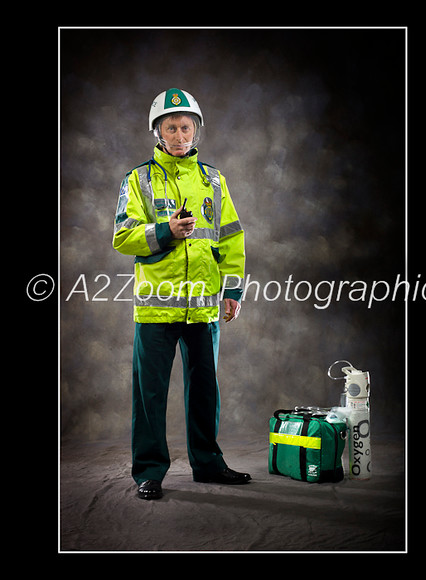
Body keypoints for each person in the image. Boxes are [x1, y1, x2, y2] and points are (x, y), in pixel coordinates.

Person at [112, 88, 250, 500]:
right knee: (150, 393)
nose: (178, 133)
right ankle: (149, 472)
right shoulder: (137, 179)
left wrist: (232, 290)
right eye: (170, 126)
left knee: (205, 388)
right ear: (157, 131)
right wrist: (164, 231)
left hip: (205, 306)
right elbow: (122, 236)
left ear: (196, 130)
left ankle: (207, 464)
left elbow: (231, 237)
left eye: (185, 126)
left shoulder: (213, 179)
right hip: (156, 310)